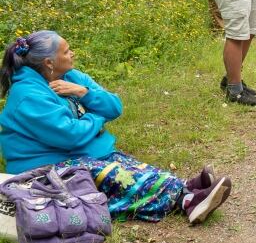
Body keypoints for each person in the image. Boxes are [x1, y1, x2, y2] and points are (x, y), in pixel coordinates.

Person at [0, 31, 230, 224]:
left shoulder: (71, 76)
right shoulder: (28, 95)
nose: (72, 54)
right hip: (45, 168)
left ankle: (185, 187)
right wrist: (97, 117)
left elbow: (114, 106)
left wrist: (84, 93)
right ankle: (188, 201)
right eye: (66, 51)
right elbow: (71, 135)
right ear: (49, 62)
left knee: (129, 165)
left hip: (80, 153)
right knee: (116, 176)